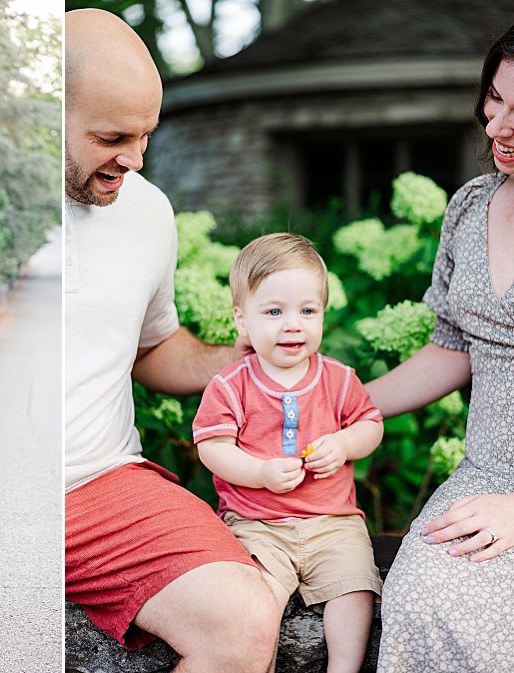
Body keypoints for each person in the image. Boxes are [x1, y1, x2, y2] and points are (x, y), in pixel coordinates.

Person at [64, 9, 281, 671]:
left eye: (145, 136)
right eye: (112, 136)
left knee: (246, 621)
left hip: (95, 485)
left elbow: (150, 348)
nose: (132, 159)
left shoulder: (148, 210)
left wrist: (239, 358)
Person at [366, 25, 514, 673]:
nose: (498, 127)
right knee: (420, 598)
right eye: (494, 99)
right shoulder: (470, 206)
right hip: (482, 476)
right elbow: (452, 348)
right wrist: (342, 405)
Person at [193, 234, 384, 673]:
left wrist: (343, 444)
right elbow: (212, 446)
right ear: (242, 321)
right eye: (274, 312)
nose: (292, 324)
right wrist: (259, 471)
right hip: (257, 524)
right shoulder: (231, 385)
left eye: (307, 311)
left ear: (322, 314)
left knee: (354, 588)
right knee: (252, 600)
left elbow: (370, 424)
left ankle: (343, 668)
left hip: (332, 522)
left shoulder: (338, 378)